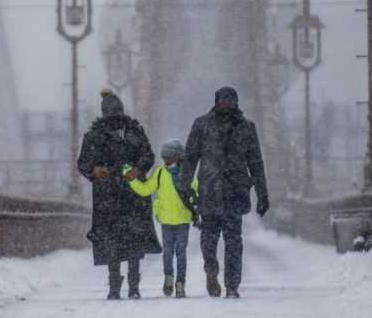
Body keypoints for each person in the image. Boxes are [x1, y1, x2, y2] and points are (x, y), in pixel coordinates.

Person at [177, 86, 269, 299]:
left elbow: (256, 162)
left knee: (233, 240)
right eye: (223, 100)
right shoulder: (201, 125)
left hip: (234, 191)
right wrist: (184, 186)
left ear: (236, 102)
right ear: (216, 102)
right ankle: (211, 270)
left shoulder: (246, 127)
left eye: (230, 100)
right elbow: (190, 157)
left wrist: (263, 193)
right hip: (210, 190)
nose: (226, 104)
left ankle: (232, 285)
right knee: (210, 238)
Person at [77, 89, 162, 300]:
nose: (114, 115)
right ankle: (116, 286)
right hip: (110, 196)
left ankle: (131, 286)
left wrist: (138, 169)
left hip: (129, 194)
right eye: (111, 111)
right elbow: (83, 163)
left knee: (128, 240)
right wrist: (94, 170)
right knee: (115, 241)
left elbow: (148, 156)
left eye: (117, 111)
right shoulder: (94, 136)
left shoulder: (135, 131)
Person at [126, 138, 199, 299]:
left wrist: (197, 209)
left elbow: (195, 192)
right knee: (167, 253)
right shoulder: (159, 172)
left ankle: (180, 283)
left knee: (180, 253)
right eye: (165, 156)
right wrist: (130, 178)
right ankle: (169, 278)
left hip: (183, 219)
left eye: (169, 156)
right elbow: (146, 190)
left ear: (178, 156)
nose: (166, 160)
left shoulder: (187, 172)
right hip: (166, 220)